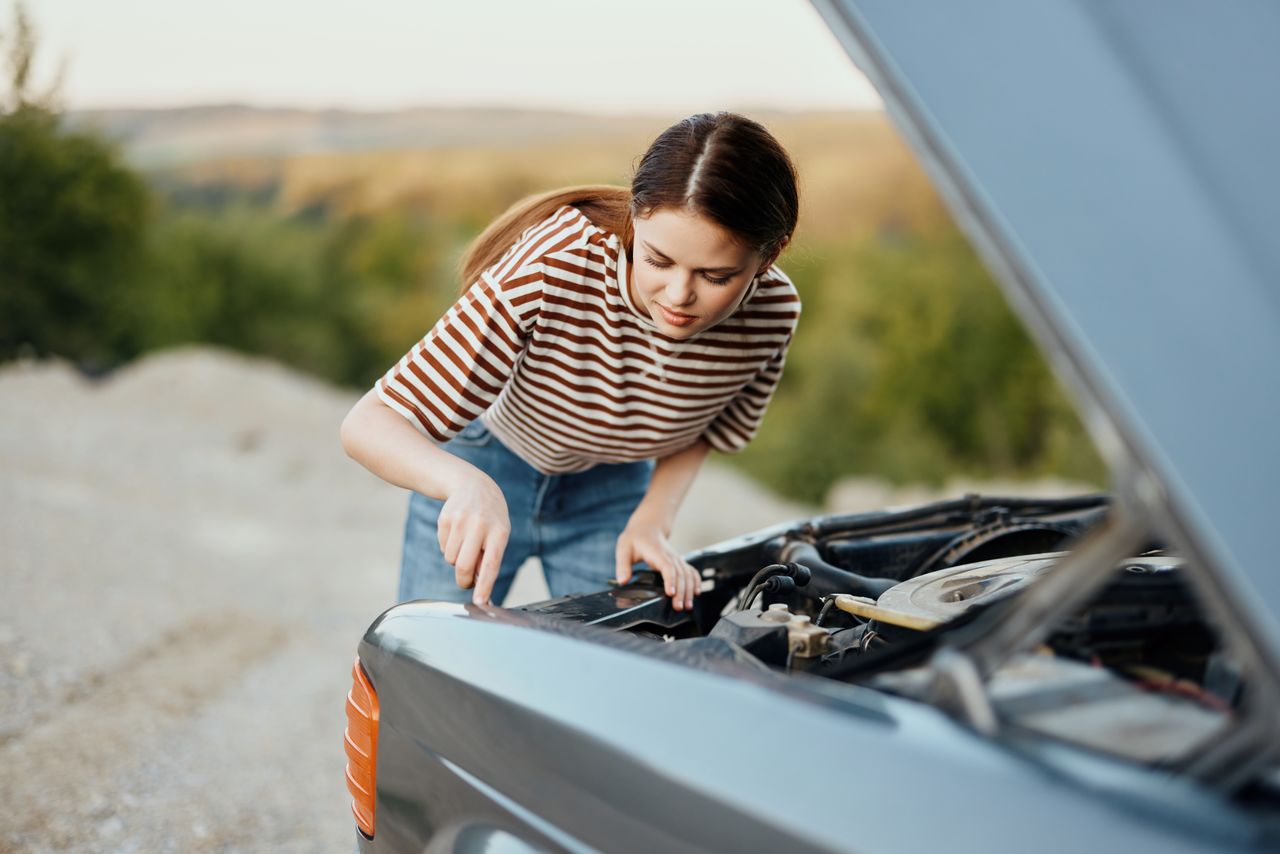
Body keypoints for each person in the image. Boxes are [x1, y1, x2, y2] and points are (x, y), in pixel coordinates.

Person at [340, 111, 801, 612]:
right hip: (489, 462)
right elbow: (369, 424)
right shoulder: (556, 261)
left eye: (715, 276)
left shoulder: (773, 315)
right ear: (635, 218)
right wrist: (465, 484)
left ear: (770, 255)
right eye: (657, 261)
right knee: (430, 655)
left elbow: (712, 428)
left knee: (609, 666)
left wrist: (654, 517)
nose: (678, 295)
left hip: (612, 491)